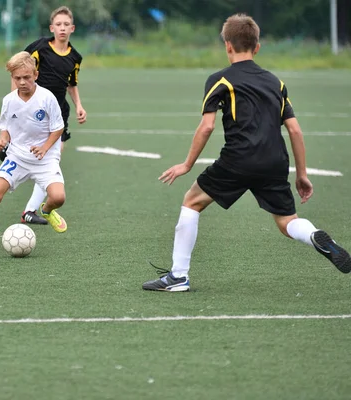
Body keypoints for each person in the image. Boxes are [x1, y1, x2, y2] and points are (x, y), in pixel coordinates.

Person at [142, 13, 351, 292]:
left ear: (227, 45)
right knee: (287, 221)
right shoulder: (276, 83)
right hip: (275, 161)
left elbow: (206, 128)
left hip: (238, 159)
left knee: (192, 201)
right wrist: (301, 174)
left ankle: (178, 276)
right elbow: (296, 131)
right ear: (257, 47)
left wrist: (187, 164)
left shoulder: (220, 80)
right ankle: (314, 236)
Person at [0, 51, 68, 253]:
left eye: (26, 77)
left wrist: (44, 147)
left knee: (59, 198)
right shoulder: (9, 101)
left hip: (44, 158)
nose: (22, 82)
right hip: (17, 156)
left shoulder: (46, 98)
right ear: (12, 78)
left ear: (36, 75)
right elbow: (5, 128)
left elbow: (58, 127)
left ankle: (46, 210)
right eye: (17, 78)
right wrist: (2, 140)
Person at [0, 5, 86, 226]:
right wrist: (15, 99)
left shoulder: (75, 57)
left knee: (50, 162)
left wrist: (79, 105)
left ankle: (30, 211)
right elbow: (19, 66)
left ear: (73, 28)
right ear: (52, 27)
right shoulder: (40, 47)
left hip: (57, 115)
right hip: (31, 110)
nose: (62, 28)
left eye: (66, 24)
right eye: (58, 24)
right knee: (40, 158)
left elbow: (72, 84)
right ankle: (10, 150)